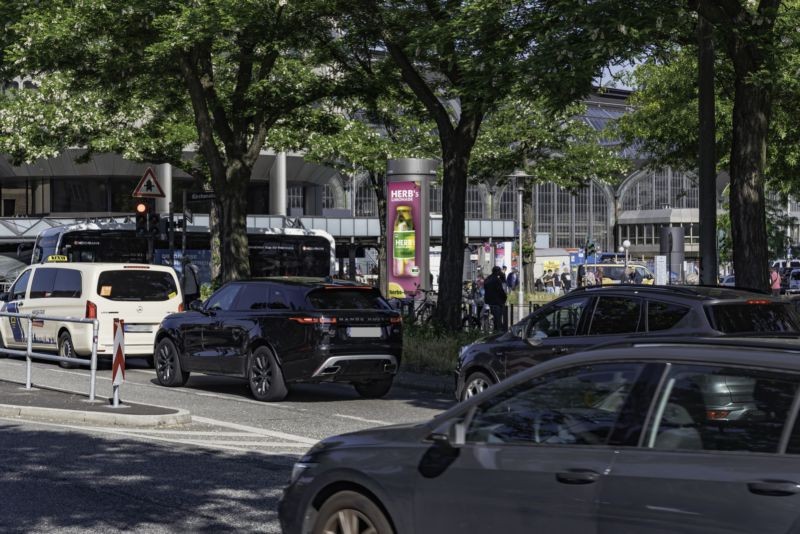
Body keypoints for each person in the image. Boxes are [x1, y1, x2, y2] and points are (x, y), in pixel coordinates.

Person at [483, 266, 507, 332]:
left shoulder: (488, 279)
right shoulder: (497, 280)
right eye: (499, 271)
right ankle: (498, 332)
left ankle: (494, 329)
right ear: (497, 272)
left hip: (488, 301)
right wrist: (504, 298)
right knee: (498, 319)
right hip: (497, 302)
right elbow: (501, 291)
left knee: (495, 318)